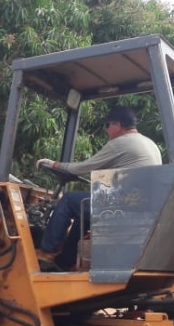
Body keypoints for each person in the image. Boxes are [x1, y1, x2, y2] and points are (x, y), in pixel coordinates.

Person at [34, 106, 160, 271]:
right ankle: (65, 262)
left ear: (117, 125)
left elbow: (83, 167)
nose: (107, 130)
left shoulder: (120, 143)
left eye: (107, 126)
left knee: (67, 201)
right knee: (82, 212)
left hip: (122, 206)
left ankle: (46, 252)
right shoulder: (149, 144)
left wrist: (53, 164)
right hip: (141, 207)